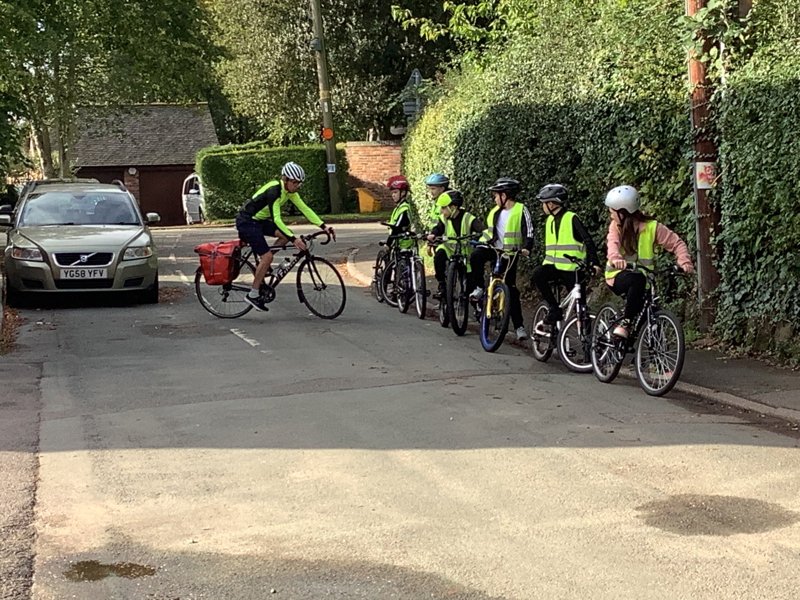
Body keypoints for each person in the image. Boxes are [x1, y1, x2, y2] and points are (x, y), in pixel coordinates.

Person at [236, 161, 335, 311]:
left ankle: (262, 265)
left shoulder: (290, 192)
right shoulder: (274, 191)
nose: (297, 186)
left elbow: (305, 209)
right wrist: (294, 239)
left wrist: (323, 226)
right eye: (295, 182)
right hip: (247, 222)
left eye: (299, 183)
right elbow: (277, 219)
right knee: (268, 256)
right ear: (286, 179)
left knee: (283, 236)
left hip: (259, 221)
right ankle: (253, 294)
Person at [604, 185, 694, 338]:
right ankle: (626, 322)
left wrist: (684, 262)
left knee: (649, 309)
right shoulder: (615, 227)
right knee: (636, 280)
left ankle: (642, 356)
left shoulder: (652, 227)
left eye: (612, 211)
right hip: (618, 275)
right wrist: (616, 258)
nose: (610, 214)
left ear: (623, 213)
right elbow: (612, 244)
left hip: (644, 279)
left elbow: (676, 243)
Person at [467, 177, 534, 341]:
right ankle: (479, 288)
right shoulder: (494, 212)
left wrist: (526, 248)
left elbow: (529, 232)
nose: (494, 198)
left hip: (510, 254)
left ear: (505, 195)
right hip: (493, 249)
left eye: (496, 195)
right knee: (476, 256)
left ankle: (518, 326)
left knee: (510, 288)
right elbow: (488, 233)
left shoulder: (521, 209)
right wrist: (482, 242)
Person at [531, 184, 601, 324]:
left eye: (544, 203)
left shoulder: (571, 218)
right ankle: (554, 308)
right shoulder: (549, 220)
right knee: (537, 275)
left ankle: (586, 339)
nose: (542, 207)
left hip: (572, 269)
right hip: (553, 267)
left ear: (551, 204)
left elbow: (588, 240)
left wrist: (594, 263)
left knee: (580, 307)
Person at [426, 190, 485, 299]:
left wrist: (481, 238)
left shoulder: (468, 217)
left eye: (444, 208)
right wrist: (433, 234)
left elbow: (481, 229)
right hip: (449, 250)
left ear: (453, 207)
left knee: (470, 287)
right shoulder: (444, 218)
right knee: (439, 255)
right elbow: (438, 228)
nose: (442, 211)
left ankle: (475, 304)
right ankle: (442, 285)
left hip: (465, 255)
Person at [384, 175, 413, 250]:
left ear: (403, 193)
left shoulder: (404, 208)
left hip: (403, 244)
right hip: (397, 242)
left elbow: (396, 228)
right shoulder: (399, 207)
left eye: (395, 192)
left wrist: (388, 243)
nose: (393, 195)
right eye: (392, 193)